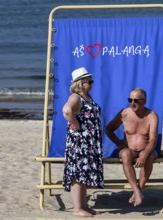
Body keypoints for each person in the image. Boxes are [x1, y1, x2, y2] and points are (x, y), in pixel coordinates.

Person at [105, 88, 158, 207]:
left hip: (147, 148)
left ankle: (138, 191)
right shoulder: (124, 113)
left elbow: (153, 139)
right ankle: (137, 191)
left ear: (144, 101)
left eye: (136, 100)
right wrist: (119, 143)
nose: (132, 103)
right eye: (130, 100)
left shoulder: (152, 116)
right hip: (129, 149)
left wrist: (145, 153)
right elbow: (108, 129)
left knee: (149, 156)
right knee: (125, 154)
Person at [62, 67, 104, 217]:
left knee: (84, 173)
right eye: (88, 82)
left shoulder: (87, 96)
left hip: (88, 142)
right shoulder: (76, 97)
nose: (91, 84)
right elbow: (67, 110)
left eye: (91, 81)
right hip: (80, 141)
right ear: (80, 83)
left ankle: (84, 206)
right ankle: (77, 208)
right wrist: (76, 124)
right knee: (77, 174)